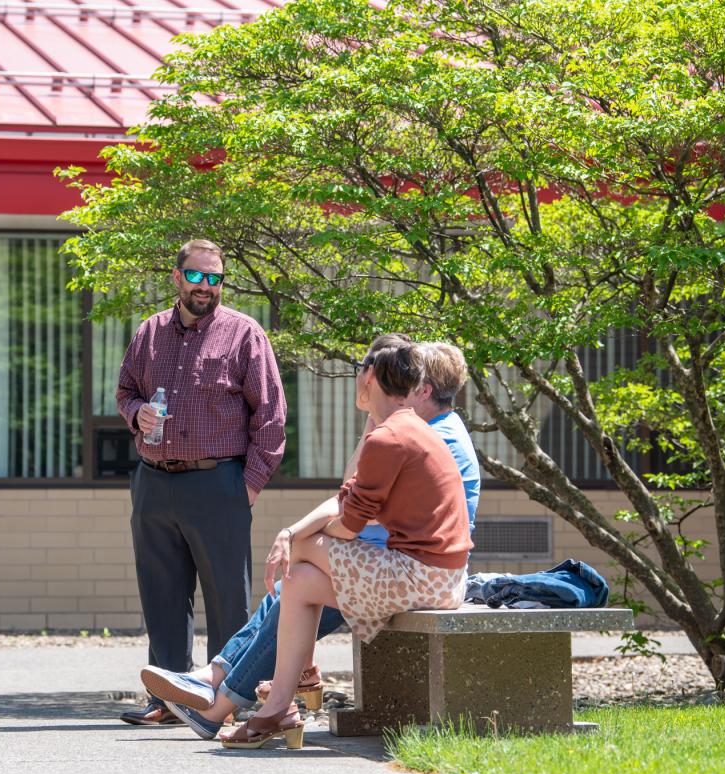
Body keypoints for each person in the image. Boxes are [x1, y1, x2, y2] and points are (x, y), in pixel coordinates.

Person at [140, 340, 479, 738]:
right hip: (426, 574)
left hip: (419, 576)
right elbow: (349, 498)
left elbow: (351, 522)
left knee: (302, 555)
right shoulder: (404, 430)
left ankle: (271, 681)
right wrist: (295, 533)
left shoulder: (394, 438)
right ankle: (265, 706)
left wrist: (299, 537)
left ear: (370, 377)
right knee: (298, 583)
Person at [116, 239, 287, 726]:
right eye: (197, 276)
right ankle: (167, 702)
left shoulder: (244, 335)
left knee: (227, 598)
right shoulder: (149, 333)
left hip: (220, 483)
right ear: (177, 277)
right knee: (162, 596)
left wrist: (247, 486)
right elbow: (125, 390)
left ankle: (227, 703)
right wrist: (136, 413)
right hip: (154, 482)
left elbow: (271, 418)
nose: (206, 287)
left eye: (215, 279)